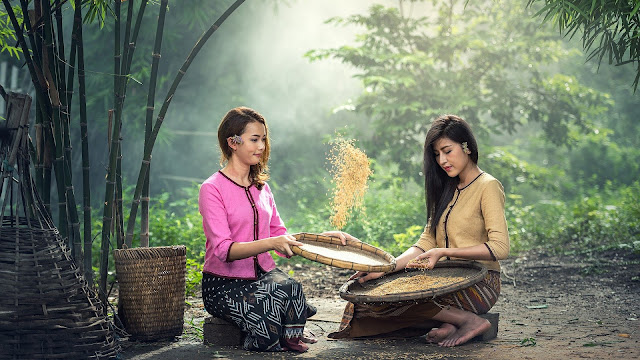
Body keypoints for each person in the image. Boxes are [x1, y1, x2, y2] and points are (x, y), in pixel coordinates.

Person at [329, 114, 510, 347]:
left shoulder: (488, 186)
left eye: (447, 150)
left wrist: (442, 252)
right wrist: (386, 269)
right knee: (367, 299)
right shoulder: (446, 187)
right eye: (437, 154)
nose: (442, 160)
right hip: (440, 280)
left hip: (480, 282)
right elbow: (425, 242)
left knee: (396, 303)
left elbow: (501, 247)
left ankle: (468, 320)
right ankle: (449, 324)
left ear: (466, 147)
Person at [199, 106, 357, 352]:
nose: (261, 146)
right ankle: (275, 330)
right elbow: (224, 250)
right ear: (233, 142)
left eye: (263, 139)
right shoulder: (212, 189)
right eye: (254, 139)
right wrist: (271, 243)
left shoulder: (262, 188)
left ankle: (288, 331)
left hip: (263, 276)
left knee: (291, 288)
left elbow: (279, 235)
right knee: (272, 312)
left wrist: (321, 240)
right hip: (223, 284)